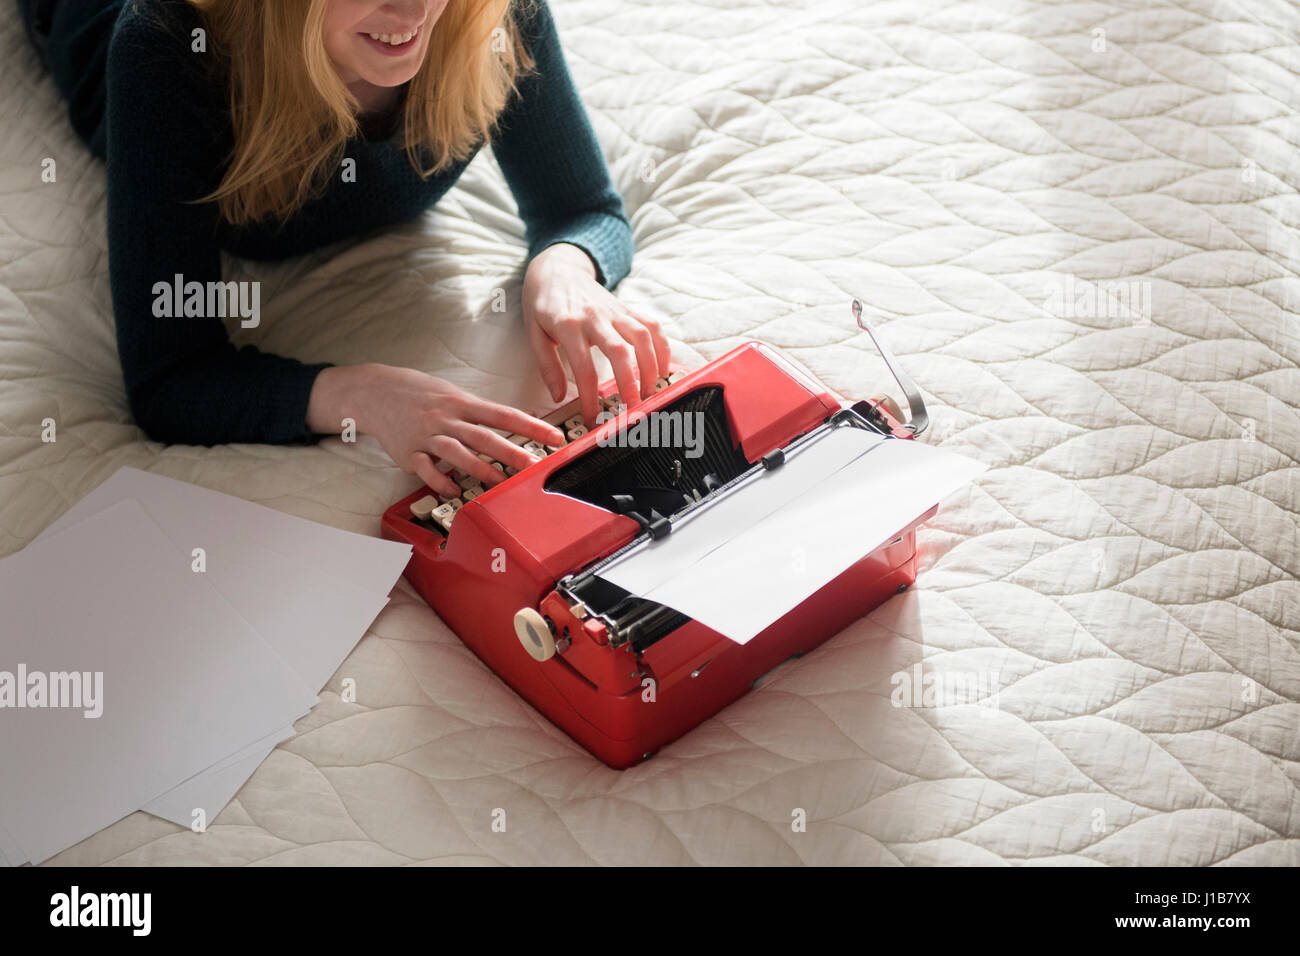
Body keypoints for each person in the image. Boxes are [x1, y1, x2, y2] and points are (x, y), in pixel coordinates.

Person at [17, 0, 669, 499]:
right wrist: (365, 395)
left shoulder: (486, 10)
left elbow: (583, 209)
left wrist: (564, 269)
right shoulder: (165, 47)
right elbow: (169, 377)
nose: (413, 12)